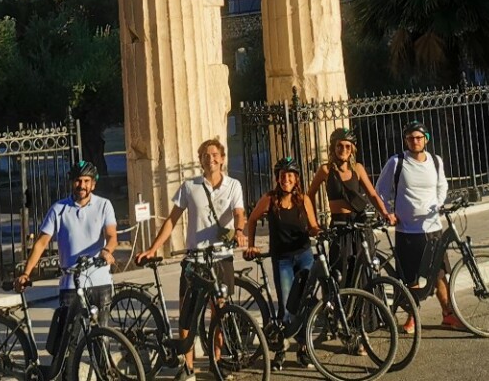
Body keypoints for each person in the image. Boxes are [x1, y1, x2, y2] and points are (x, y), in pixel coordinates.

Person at [135, 139, 246, 379]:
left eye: (215, 154)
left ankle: (216, 363)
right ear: (200, 160)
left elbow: (239, 213)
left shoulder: (233, 185)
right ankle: (188, 367)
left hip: (220, 258)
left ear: (223, 158)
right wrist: (154, 248)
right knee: (187, 316)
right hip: (195, 260)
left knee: (220, 312)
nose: (211, 159)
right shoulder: (189, 186)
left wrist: (239, 231)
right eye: (206, 155)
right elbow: (172, 220)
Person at [16, 160, 118, 351]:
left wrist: (107, 250)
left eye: (87, 181)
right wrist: (26, 273)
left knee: (101, 340)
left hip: (100, 281)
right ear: (72, 183)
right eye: (78, 181)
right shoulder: (58, 209)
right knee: (68, 342)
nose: (82, 185)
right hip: (71, 284)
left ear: (93, 184)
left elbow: (112, 236)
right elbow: (41, 243)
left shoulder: (104, 205)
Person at [375, 121, 460, 332]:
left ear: (426, 139)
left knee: (439, 274)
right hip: (407, 231)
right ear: (406, 141)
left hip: (432, 229)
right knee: (411, 278)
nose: (415, 141)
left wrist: (438, 204)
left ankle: (448, 314)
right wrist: (387, 212)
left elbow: (442, 185)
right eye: (411, 138)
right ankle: (413, 316)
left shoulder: (436, 161)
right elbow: (380, 191)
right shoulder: (397, 162)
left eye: (419, 138)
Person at [242, 157, 321, 370]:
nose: (286, 179)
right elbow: (251, 220)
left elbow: (313, 225)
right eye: (282, 176)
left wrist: (318, 231)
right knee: (286, 306)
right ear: (278, 178)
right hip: (283, 259)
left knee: (304, 303)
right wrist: (250, 245)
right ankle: (281, 349)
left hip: (304, 255)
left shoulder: (303, 199)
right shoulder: (269, 199)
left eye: (290, 176)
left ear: (296, 179)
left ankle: (304, 349)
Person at [306, 128, 396, 279]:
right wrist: (313, 225)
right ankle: (343, 301)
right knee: (340, 269)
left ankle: (368, 301)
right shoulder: (326, 170)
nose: (343, 150)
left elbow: (372, 194)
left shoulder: (358, 169)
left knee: (366, 268)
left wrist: (385, 213)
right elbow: (309, 197)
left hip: (359, 222)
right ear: (333, 148)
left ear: (352, 149)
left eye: (348, 146)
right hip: (339, 225)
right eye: (339, 146)